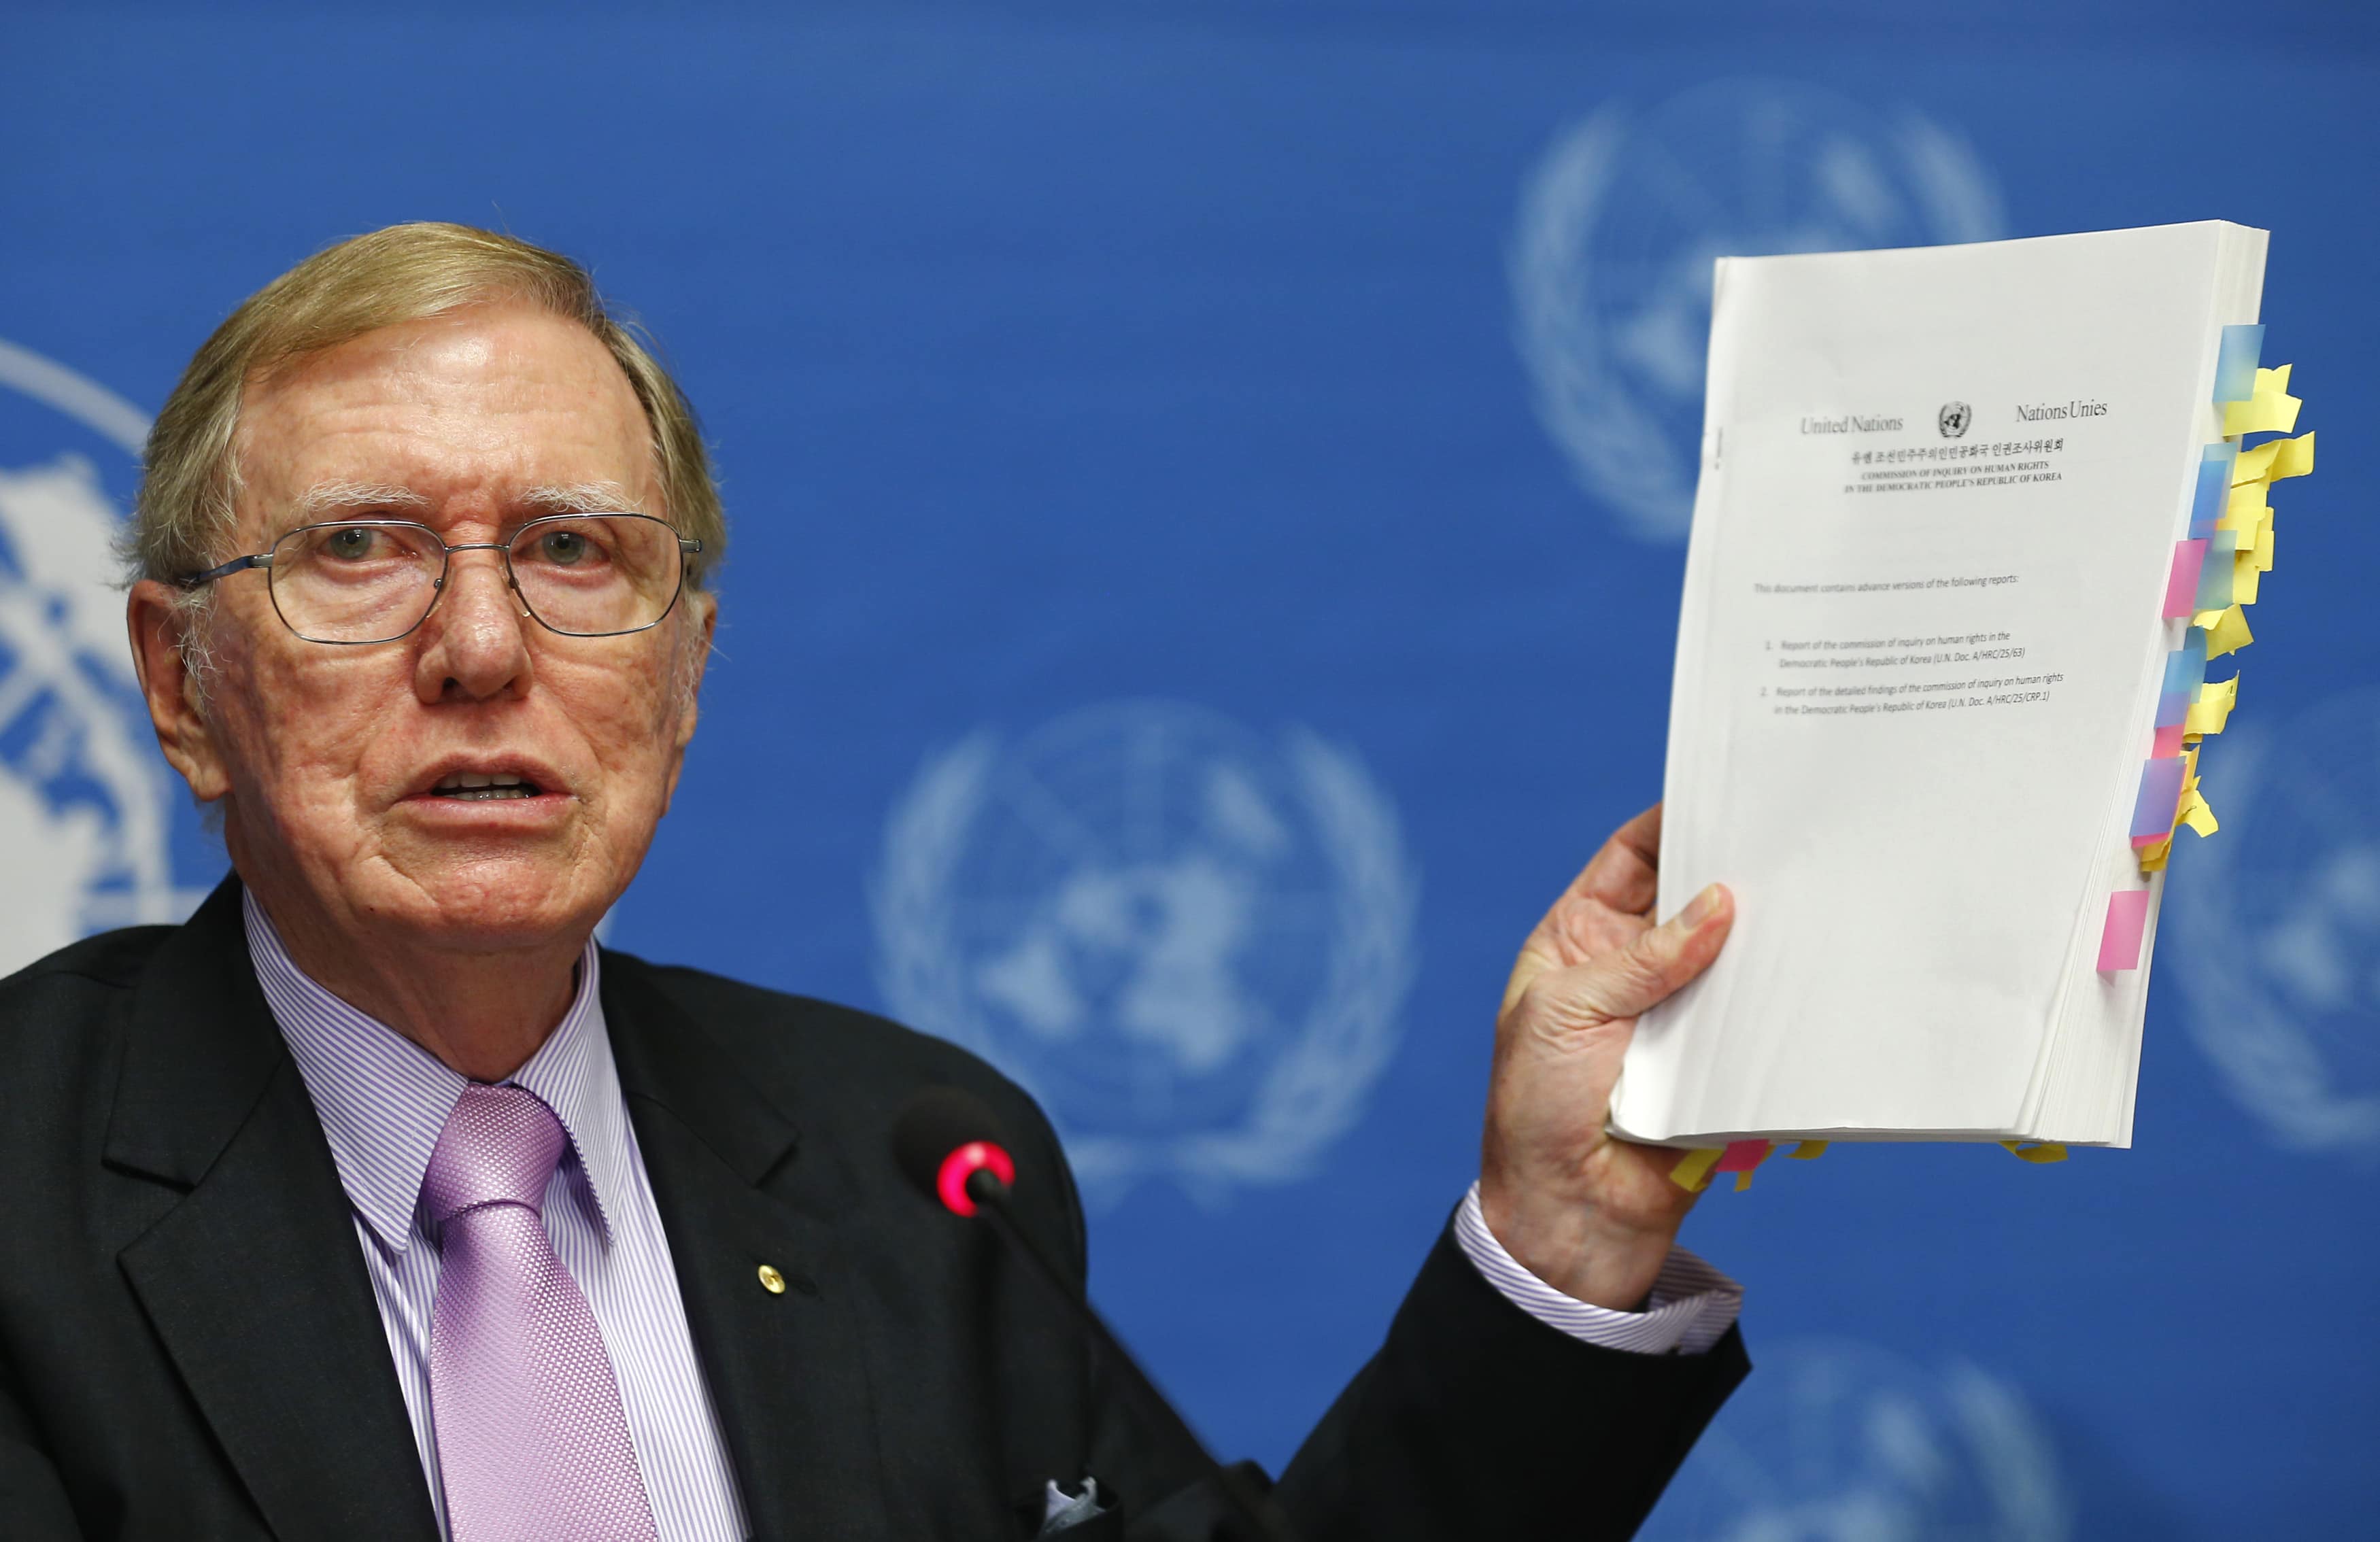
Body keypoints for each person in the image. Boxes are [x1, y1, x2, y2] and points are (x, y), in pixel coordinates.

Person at [0, 224, 1747, 1542]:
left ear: (682, 678)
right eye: (361, 550)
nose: (478, 646)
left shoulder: (907, 1167)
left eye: (570, 552)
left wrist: (1562, 1238)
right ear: (180, 684)